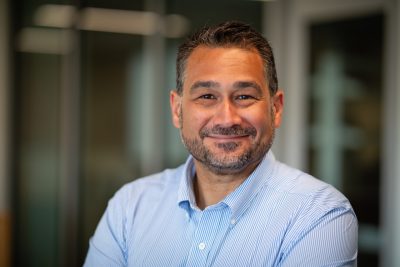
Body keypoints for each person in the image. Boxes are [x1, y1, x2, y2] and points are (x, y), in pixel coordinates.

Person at [84, 21, 358, 266]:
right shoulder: (130, 206)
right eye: (206, 96)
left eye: (244, 96)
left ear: (276, 108)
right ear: (177, 110)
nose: (227, 118)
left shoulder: (319, 216)